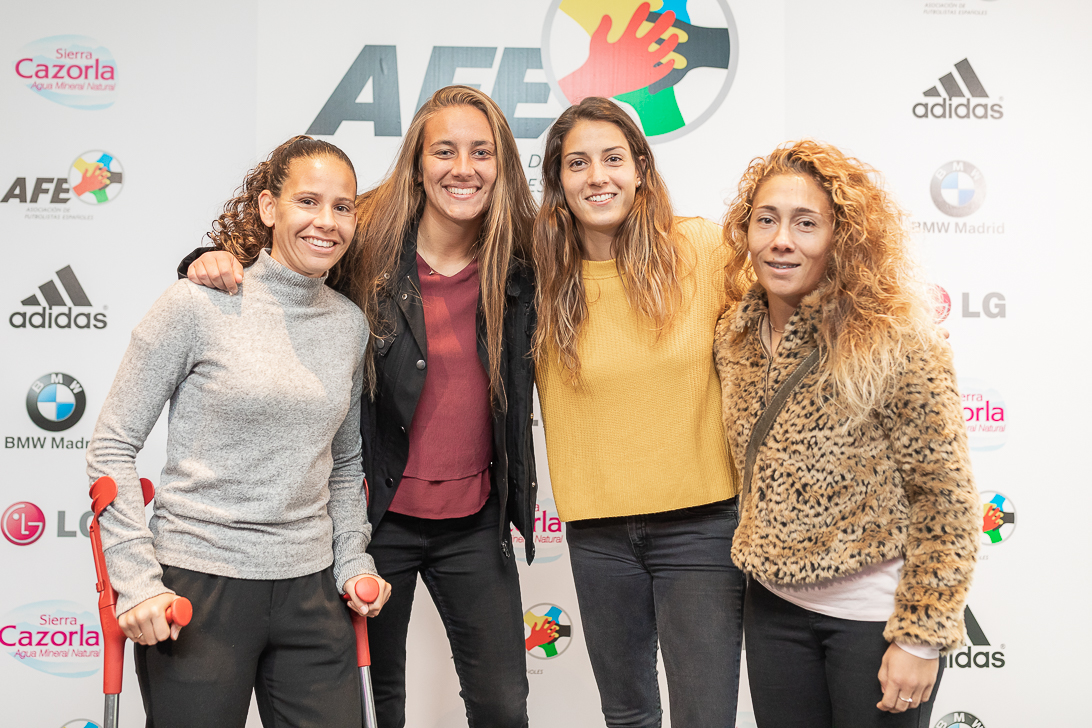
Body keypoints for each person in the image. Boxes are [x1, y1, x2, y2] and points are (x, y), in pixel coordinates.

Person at [182, 86, 538, 728]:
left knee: (505, 706)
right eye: (446, 151)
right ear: (417, 162)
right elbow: (290, 259)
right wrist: (211, 260)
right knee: (380, 707)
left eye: (481, 152)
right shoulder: (365, 242)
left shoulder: (520, 256)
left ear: (502, 163)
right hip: (378, 521)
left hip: (476, 520)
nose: (464, 168)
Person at [86, 135, 392, 728]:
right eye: (308, 202)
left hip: (311, 592)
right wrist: (137, 582)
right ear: (269, 208)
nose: (325, 222)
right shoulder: (197, 303)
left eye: (342, 206)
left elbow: (347, 462)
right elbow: (112, 445)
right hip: (199, 587)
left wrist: (353, 563)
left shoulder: (349, 325)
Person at [714, 140, 979, 728]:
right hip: (773, 612)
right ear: (746, 231)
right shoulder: (733, 333)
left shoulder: (895, 341)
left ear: (842, 239)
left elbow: (946, 500)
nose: (782, 240)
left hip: (873, 622)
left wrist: (922, 637)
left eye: (806, 224)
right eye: (767, 220)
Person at [532, 96, 744, 727]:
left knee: (703, 717)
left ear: (642, 169)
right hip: (598, 534)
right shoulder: (539, 279)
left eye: (613, 158)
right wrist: (231, 252)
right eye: (577, 163)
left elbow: (793, 303)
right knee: (627, 716)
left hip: (702, 526)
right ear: (559, 183)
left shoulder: (702, 250)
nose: (598, 176)